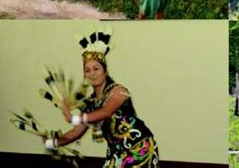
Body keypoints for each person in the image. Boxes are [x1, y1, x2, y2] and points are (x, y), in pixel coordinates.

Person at [42, 31, 160, 167]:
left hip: (139, 149)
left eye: (96, 69)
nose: (92, 74)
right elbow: (75, 134)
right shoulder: (90, 104)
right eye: (87, 70)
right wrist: (51, 142)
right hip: (116, 154)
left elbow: (106, 112)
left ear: (105, 71)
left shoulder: (119, 91)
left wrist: (74, 118)